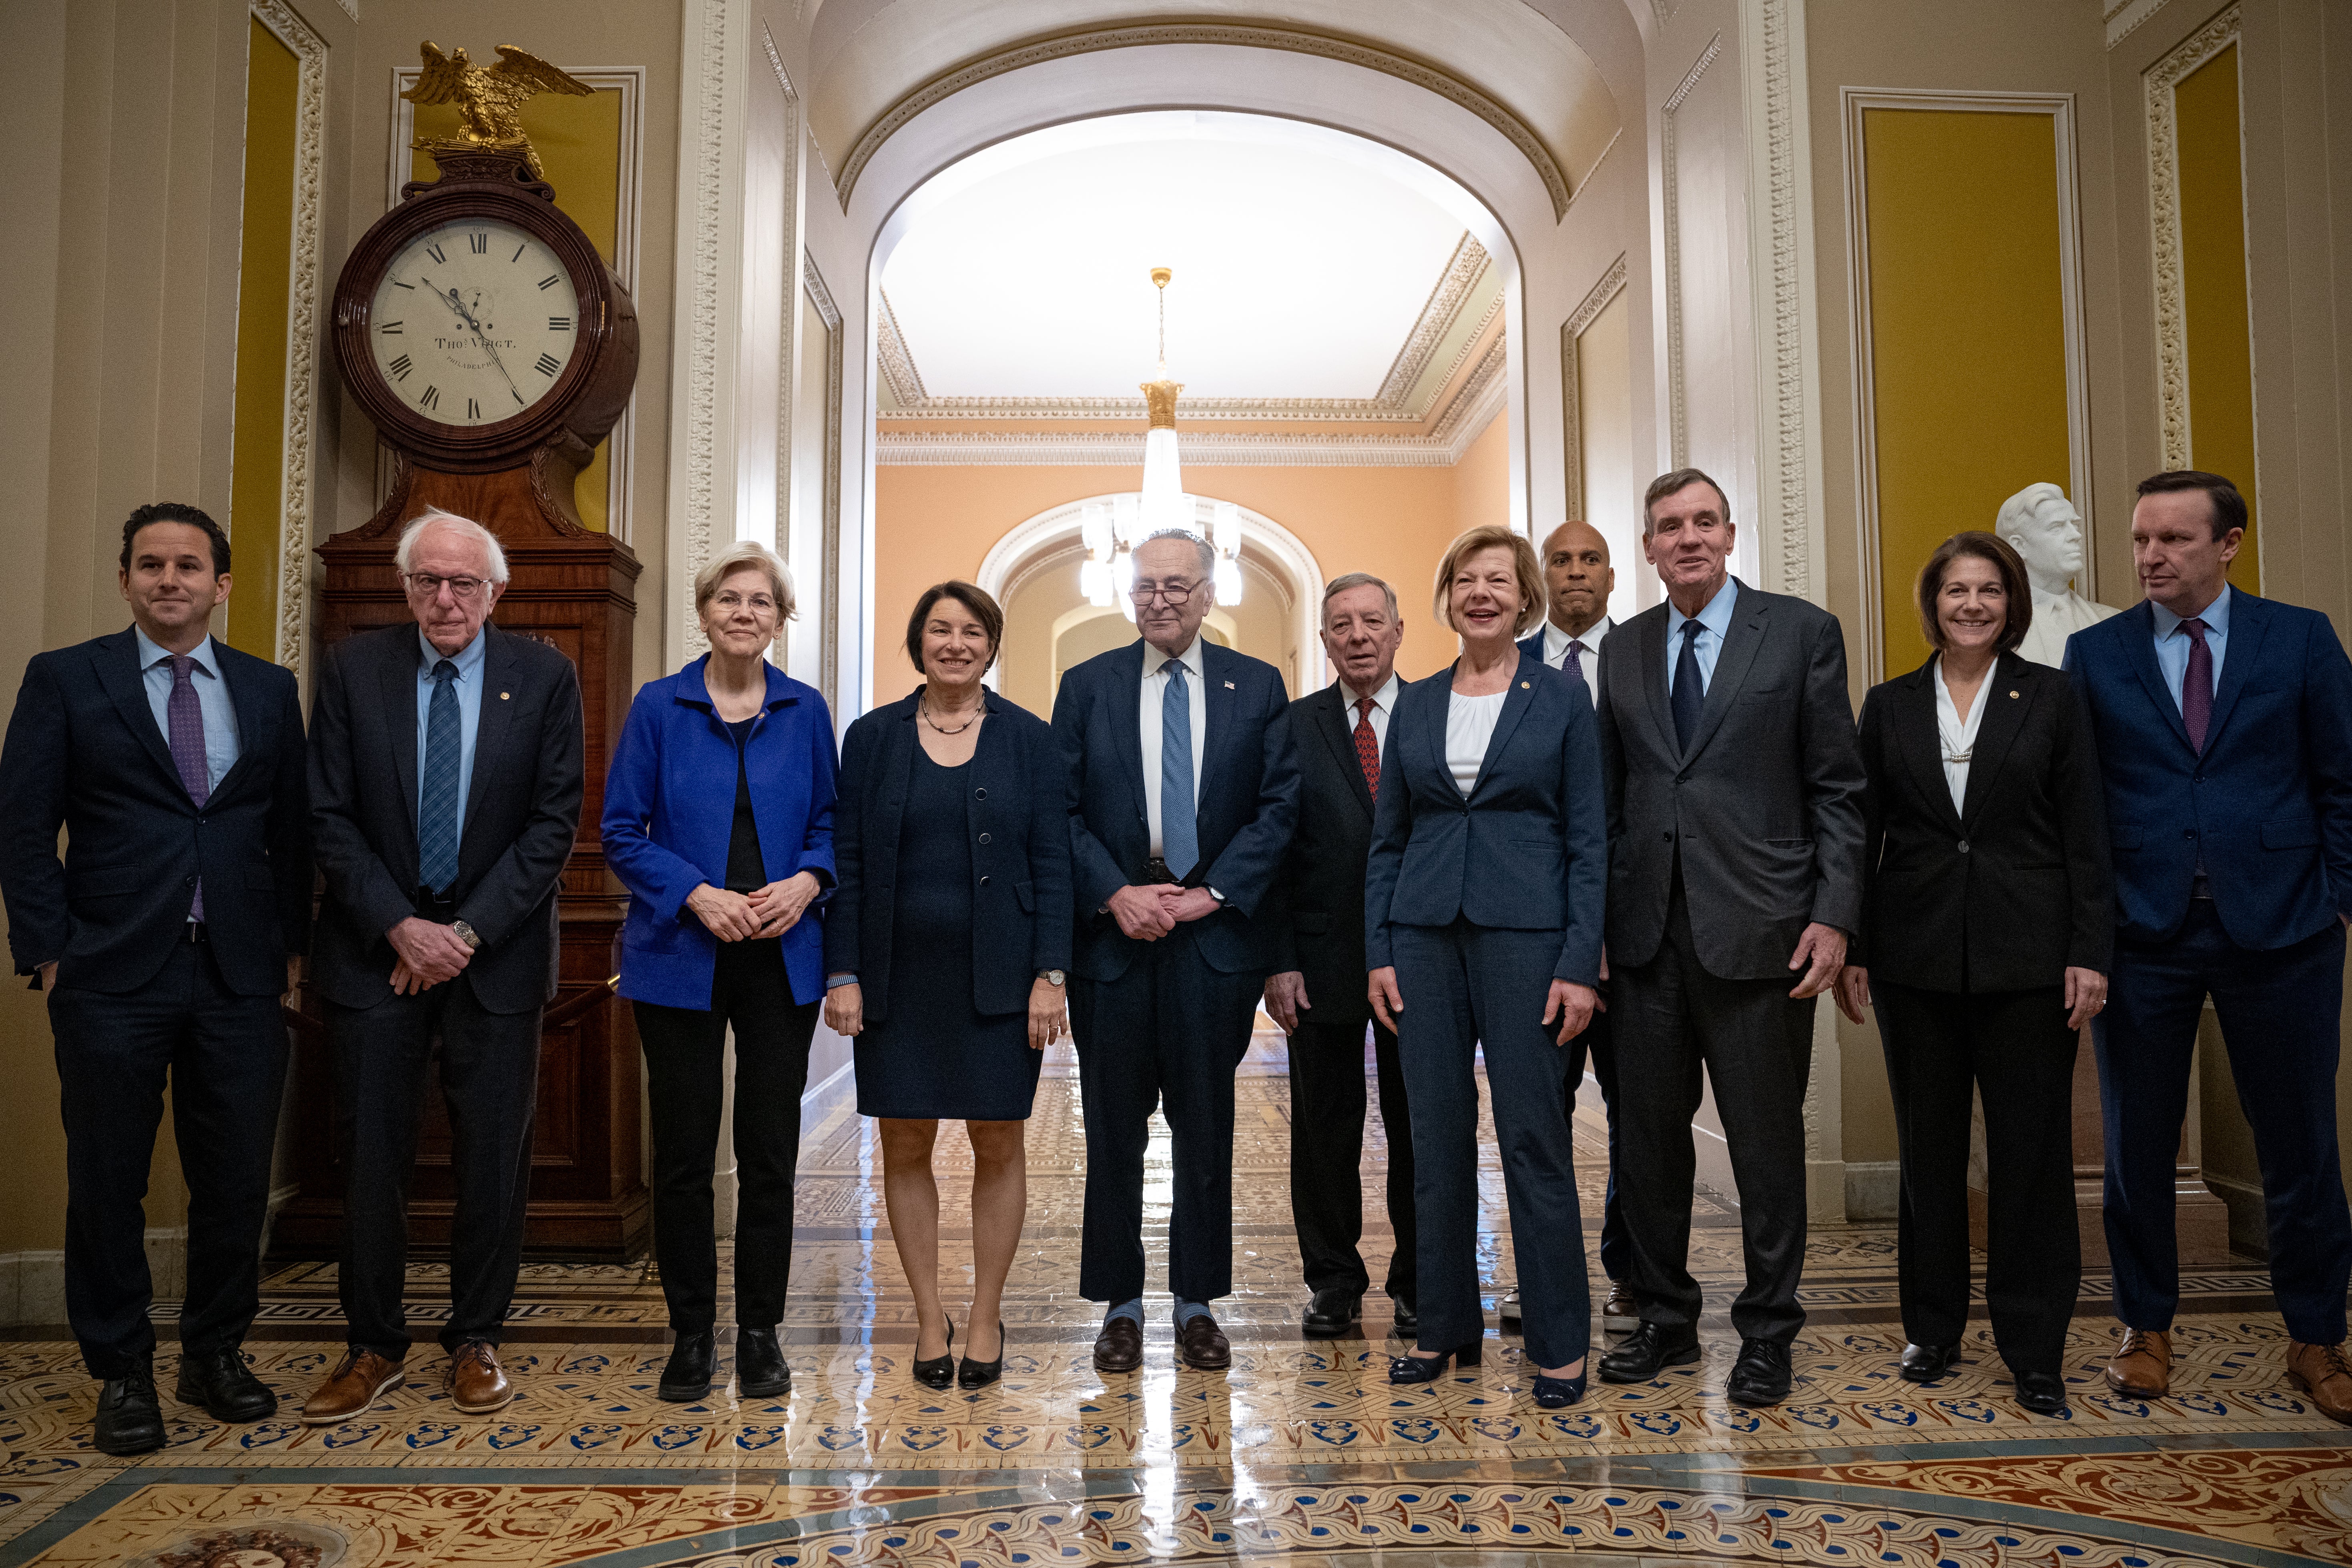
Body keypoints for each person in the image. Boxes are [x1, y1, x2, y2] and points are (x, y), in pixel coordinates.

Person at [0, 504, 312, 1456]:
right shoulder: (66, 679)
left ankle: (214, 1353)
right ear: (126, 578)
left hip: (240, 976)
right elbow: (21, 827)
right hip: (110, 975)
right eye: (150, 564)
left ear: (222, 583)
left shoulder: (267, 688)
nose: (168, 579)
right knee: (107, 1181)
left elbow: (291, 831)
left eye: (188, 565)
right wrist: (51, 951)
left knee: (231, 1180)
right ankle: (122, 1371)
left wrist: (291, 954)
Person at [2063, 470, 2352, 1421]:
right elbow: (2077, 808)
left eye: (2174, 540)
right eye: (2141, 539)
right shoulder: (2094, 653)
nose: (2150, 556)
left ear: (2228, 544)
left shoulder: (2298, 636)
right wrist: (2088, 930)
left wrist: (2336, 899)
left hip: (2284, 927)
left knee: (2299, 1143)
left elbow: (2341, 777)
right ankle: (2143, 1326)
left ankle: (2316, 1332)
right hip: (2142, 932)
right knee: (2135, 1146)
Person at [301, 508, 585, 1426]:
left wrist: (459, 933)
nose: (445, 598)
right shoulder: (353, 670)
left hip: (492, 960)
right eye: (427, 579)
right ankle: (372, 1342)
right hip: (373, 954)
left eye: (464, 582)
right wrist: (399, 925)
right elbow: (327, 816)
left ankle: (476, 1337)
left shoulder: (544, 676)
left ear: (496, 592)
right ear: (405, 586)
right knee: (371, 1155)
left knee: (491, 1158)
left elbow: (553, 825)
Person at [1594, 468, 1866, 1408]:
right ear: (1648, 547)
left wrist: (1834, 914)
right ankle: (1665, 1318)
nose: (1688, 538)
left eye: (1703, 521)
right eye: (1668, 525)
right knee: (1650, 1146)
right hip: (1642, 940)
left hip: (1763, 934)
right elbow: (1609, 794)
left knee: (1762, 1145)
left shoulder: (1798, 632)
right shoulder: (1623, 649)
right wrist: (1591, 930)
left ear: (1730, 531)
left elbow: (1838, 786)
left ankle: (1766, 1330)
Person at [1834, 531, 2111, 1418]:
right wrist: (1855, 944)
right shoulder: (1888, 705)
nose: (1972, 605)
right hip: (1913, 960)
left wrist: (2090, 951)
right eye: (1956, 589)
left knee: (2029, 1160)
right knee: (1929, 1152)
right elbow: (1860, 835)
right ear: (1933, 601)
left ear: (2011, 601)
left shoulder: (2055, 697)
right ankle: (1934, 1324)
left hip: (2028, 961)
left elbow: (2087, 834)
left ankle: (2035, 1347)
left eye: (1989, 589)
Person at [1365, 524, 1604, 1408]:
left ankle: (1557, 1339)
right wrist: (1377, 952)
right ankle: (1442, 1325)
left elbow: (1588, 839)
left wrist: (1581, 960)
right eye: (1465, 578)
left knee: (1533, 1139)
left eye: (1497, 580)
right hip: (1422, 937)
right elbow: (1387, 839)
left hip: (1528, 941)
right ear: (1448, 596)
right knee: (1431, 1138)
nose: (1480, 592)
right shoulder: (1418, 701)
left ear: (1524, 596)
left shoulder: (1561, 697)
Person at [1053, 528, 1299, 1375]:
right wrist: (1115, 892)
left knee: (1205, 1130)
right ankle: (1120, 1304)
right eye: (1146, 585)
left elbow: (1277, 810)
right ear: (1130, 594)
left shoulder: (1257, 687)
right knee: (1112, 1133)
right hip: (1112, 941)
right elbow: (1062, 812)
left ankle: (1197, 1302)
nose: (1160, 598)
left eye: (1176, 585)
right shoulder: (1086, 686)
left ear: (1207, 592)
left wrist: (1211, 891)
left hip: (1211, 944)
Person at [602, 542, 836, 1403]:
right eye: (729, 599)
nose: (745, 612)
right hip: (679, 955)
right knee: (683, 1155)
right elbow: (621, 829)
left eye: (762, 601)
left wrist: (809, 878)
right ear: (703, 613)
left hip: (782, 956)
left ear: (781, 619)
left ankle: (761, 1331)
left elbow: (830, 822)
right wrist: (695, 893)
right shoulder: (658, 707)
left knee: (769, 1150)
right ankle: (692, 1330)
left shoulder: (806, 710)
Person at [824, 582, 1072, 1391]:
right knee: (905, 1140)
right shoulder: (870, 738)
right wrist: (845, 969)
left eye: (972, 630)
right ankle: (930, 1313)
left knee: (998, 1137)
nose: (955, 642)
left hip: (1001, 978)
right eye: (940, 628)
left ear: (991, 645)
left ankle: (985, 1311)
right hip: (896, 978)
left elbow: (1052, 863)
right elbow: (848, 861)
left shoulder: (1029, 739)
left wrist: (1049, 973)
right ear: (917, 640)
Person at [1263, 573, 1417, 1340]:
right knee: (1324, 1125)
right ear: (1323, 639)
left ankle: (1420, 1275)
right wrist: (1278, 957)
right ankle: (1332, 1279)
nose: (1357, 636)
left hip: (1423, 955)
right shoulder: (1292, 726)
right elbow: (1274, 851)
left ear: (1398, 630)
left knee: (1421, 1120)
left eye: (1371, 621)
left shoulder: (1437, 711)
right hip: (1318, 957)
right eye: (1340, 625)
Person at [1504, 518, 1633, 1337]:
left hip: (1639, 934)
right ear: (1537, 576)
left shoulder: (1649, 656)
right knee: (1534, 1114)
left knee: (1638, 1115)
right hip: (1533, 935)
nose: (1575, 572)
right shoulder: (1503, 671)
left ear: (1613, 577)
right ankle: (1541, 1276)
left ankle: (1628, 1274)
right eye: (1560, 560)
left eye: (1590, 560)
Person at [1995, 483, 2117, 668]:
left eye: (2075, 525)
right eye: (2057, 528)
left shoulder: (2112, 621)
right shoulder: (1991, 628)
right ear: (2019, 546)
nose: (2076, 535)